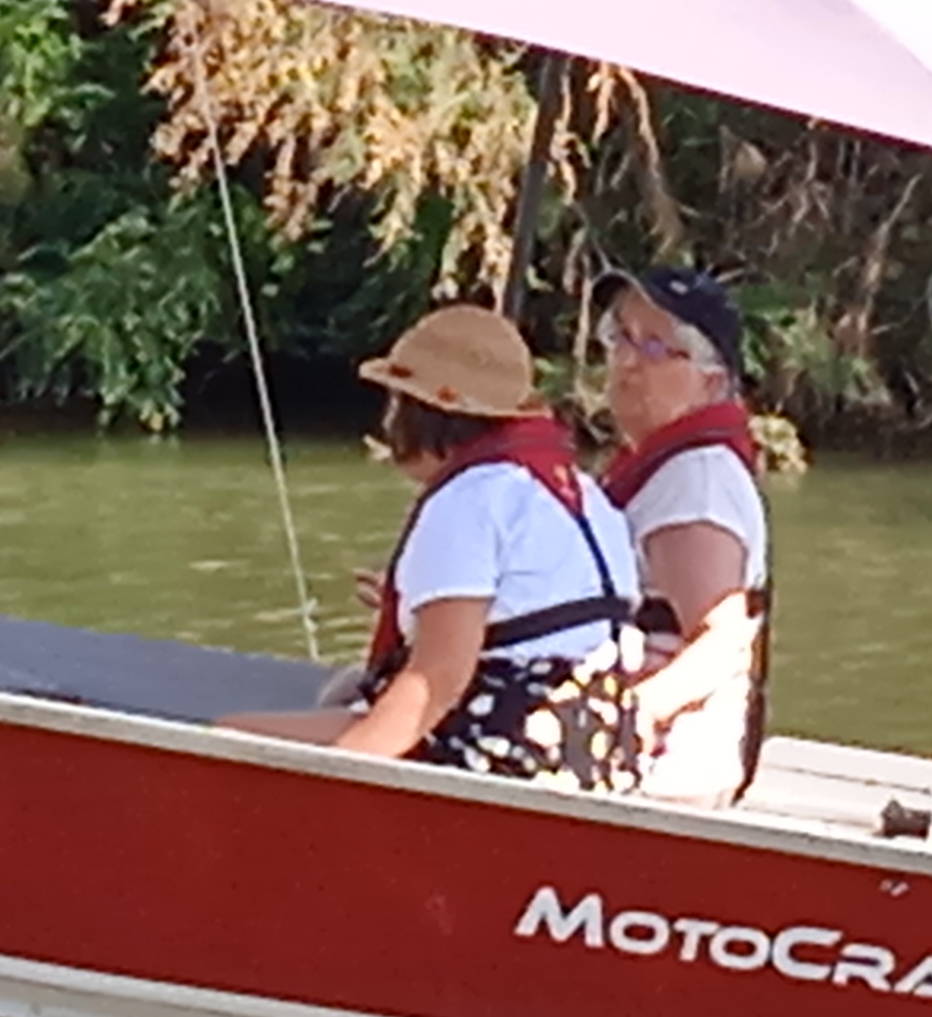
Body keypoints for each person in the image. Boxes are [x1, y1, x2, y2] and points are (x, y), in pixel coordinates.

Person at [221, 305, 642, 786]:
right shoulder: (581, 493)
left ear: (419, 413)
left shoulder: (468, 500)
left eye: (396, 401)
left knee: (229, 738)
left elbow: (437, 681)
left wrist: (336, 773)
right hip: (595, 751)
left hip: (502, 749)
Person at [589, 268, 772, 806]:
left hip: (659, 769)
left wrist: (630, 715)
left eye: (654, 347)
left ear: (711, 380)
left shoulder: (696, 482)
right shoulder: (671, 469)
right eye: (619, 335)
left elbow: (721, 639)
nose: (625, 361)